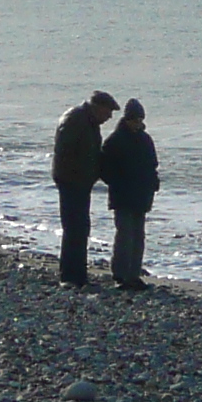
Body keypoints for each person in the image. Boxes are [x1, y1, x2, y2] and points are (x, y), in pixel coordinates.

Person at [50, 90, 117, 288]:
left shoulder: (87, 121)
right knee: (75, 228)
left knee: (79, 228)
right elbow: (67, 153)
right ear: (98, 107)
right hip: (71, 181)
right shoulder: (75, 120)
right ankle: (70, 276)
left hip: (78, 182)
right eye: (108, 112)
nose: (109, 117)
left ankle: (77, 274)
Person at [98, 99, 160, 291]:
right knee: (125, 235)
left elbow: (152, 165)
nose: (138, 123)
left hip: (141, 195)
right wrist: (118, 182)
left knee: (138, 236)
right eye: (134, 119)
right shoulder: (115, 140)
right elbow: (104, 168)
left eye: (140, 119)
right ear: (127, 119)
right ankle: (120, 275)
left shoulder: (145, 139)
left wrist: (153, 184)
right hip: (123, 195)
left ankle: (134, 275)